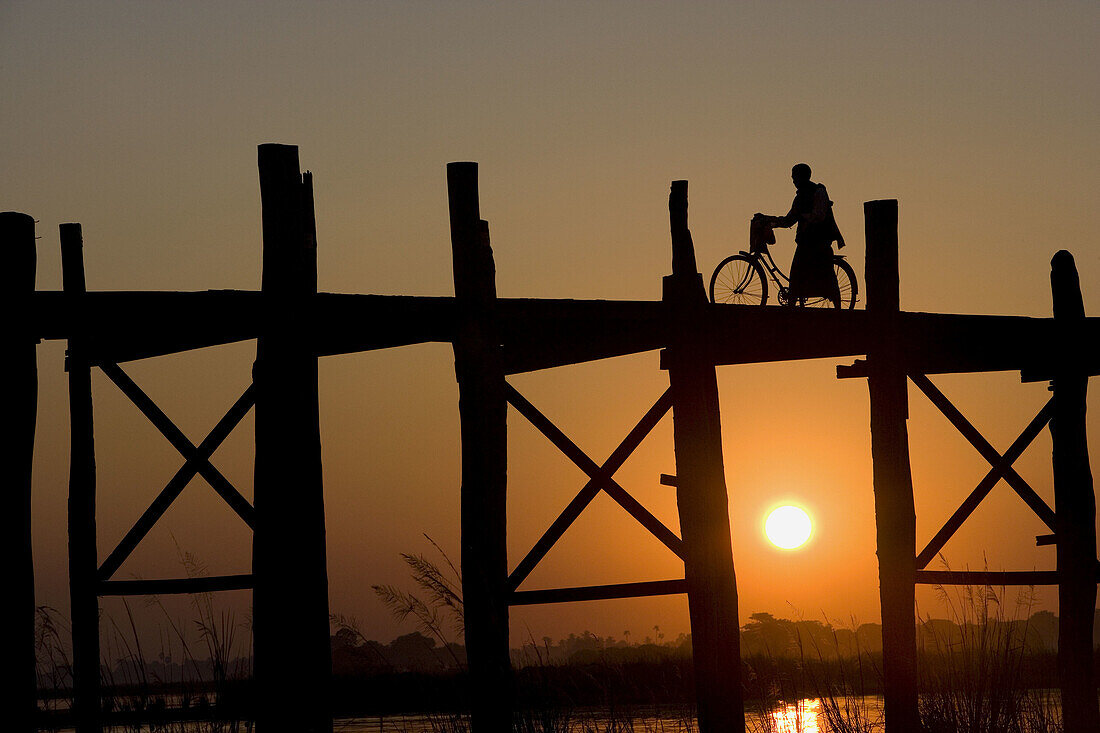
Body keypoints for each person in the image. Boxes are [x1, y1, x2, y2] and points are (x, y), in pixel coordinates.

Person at [757, 163, 844, 308]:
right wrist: (769, 219)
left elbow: (798, 219)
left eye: (794, 177)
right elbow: (789, 220)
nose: (793, 180)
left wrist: (769, 219)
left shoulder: (811, 194)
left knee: (806, 276)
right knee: (810, 275)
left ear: (801, 177)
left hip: (814, 242)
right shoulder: (807, 194)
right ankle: (797, 307)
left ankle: (795, 309)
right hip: (813, 241)